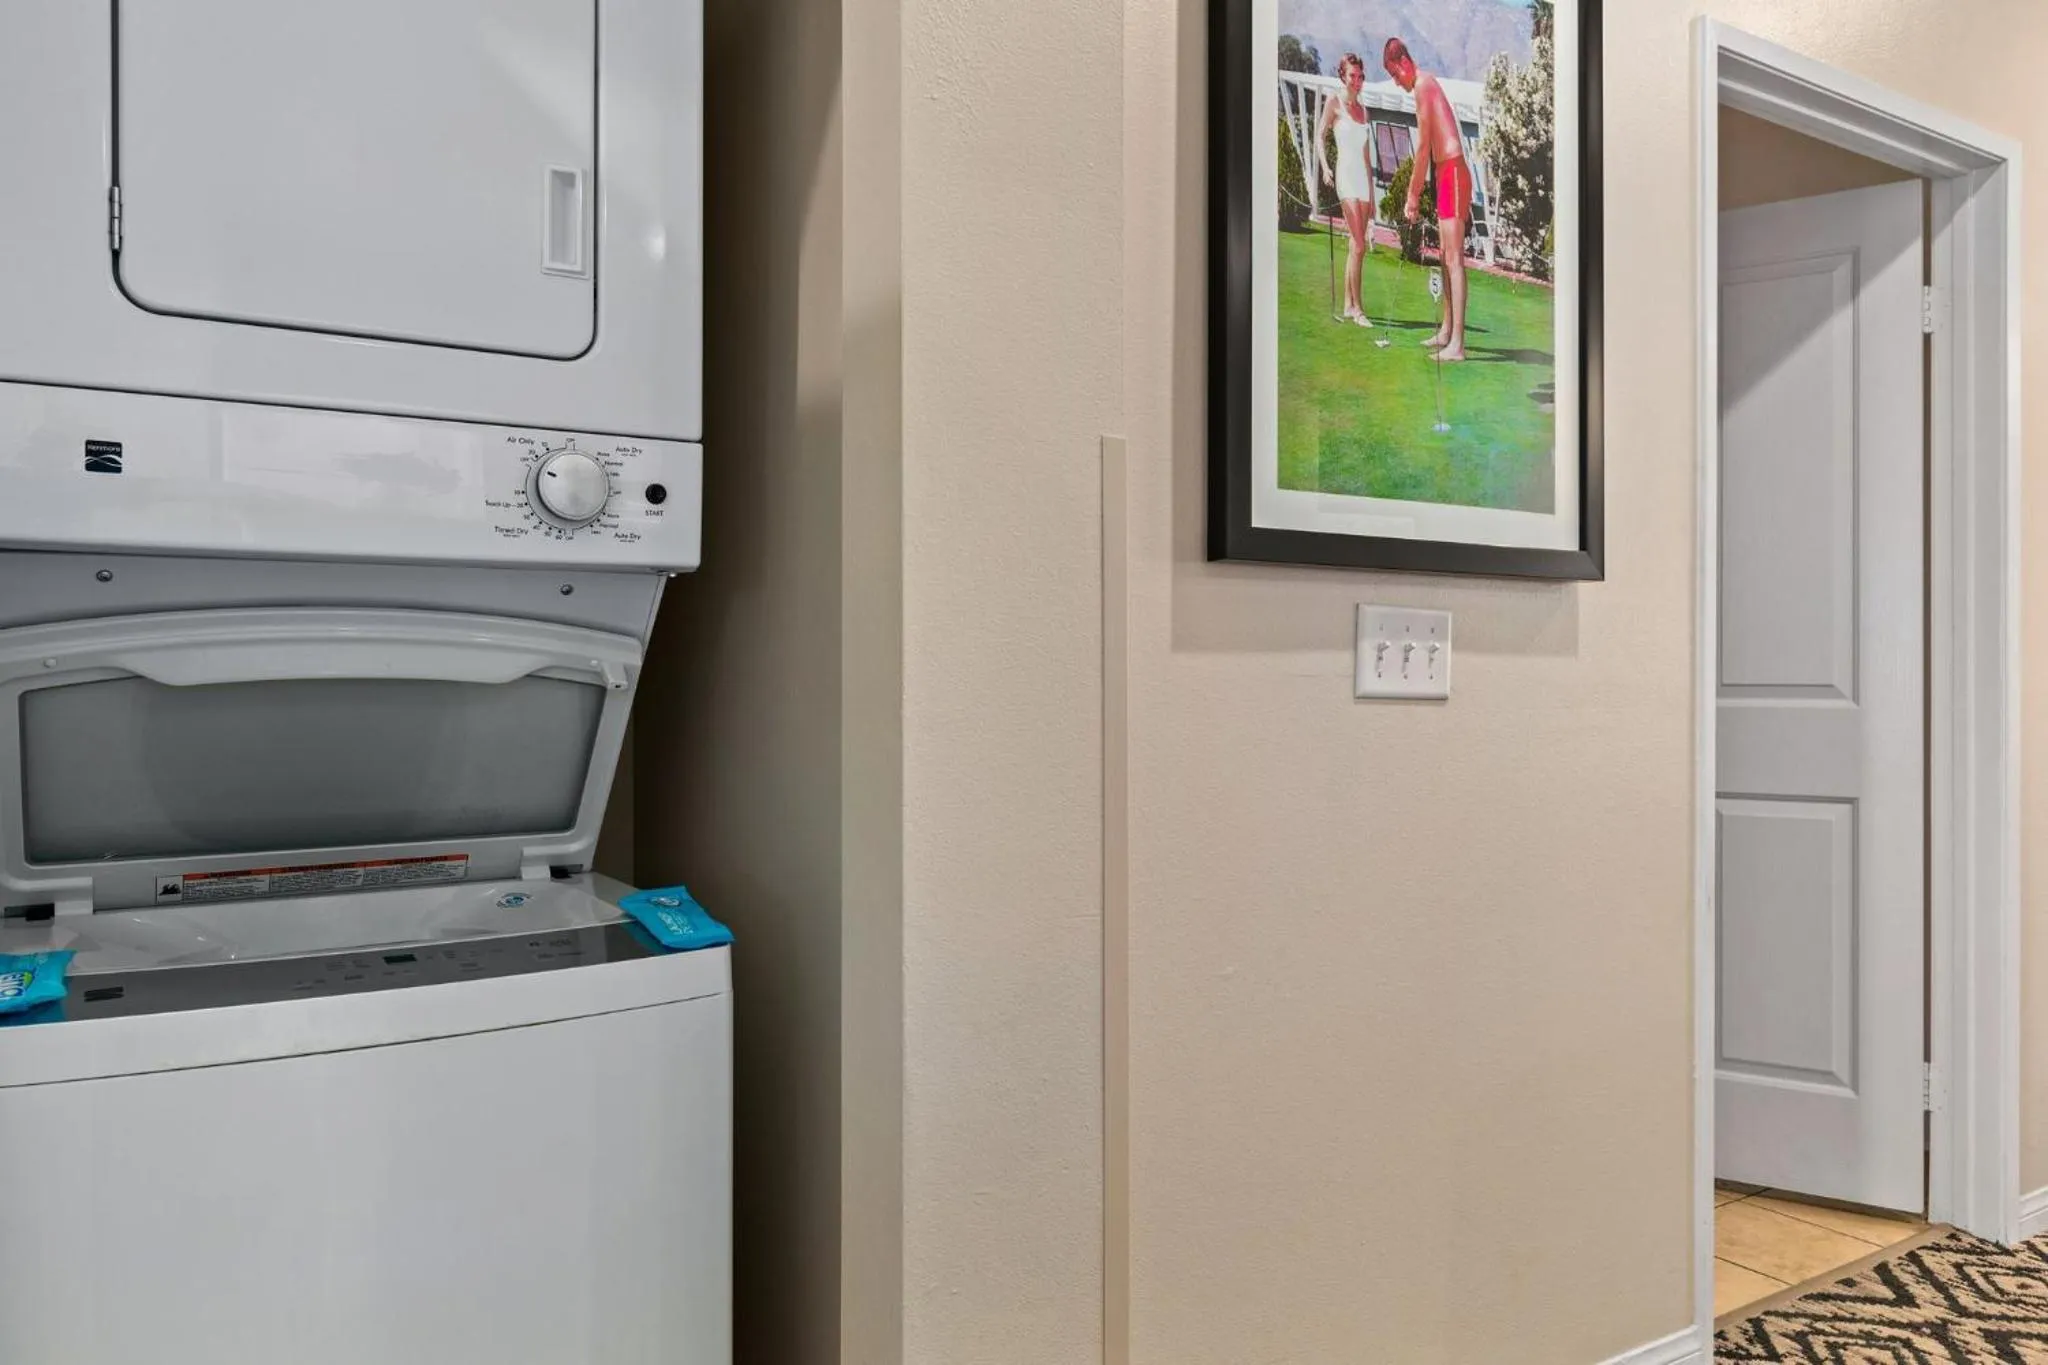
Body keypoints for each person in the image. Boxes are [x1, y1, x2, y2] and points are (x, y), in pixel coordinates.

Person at [1383, 37, 1471, 360]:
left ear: (1404, 63)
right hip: (1443, 173)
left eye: (1395, 74)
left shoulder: (1423, 85)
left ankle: (1458, 345)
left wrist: (1412, 195)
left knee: (1454, 259)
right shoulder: (1424, 85)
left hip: (1452, 172)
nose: (1396, 82)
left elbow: (1422, 147)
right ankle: (1447, 331)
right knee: (1447, 255)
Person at [1315, 53, 1376, 328]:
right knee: (1360, 243)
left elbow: (1367, 159)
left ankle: (1347, 305)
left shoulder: (1364, 112)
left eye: (1361, 76)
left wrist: (1373, 197)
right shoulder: (1334, 102)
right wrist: (1325, 167)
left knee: (1356, 245)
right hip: (1344, 178)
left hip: (1362, 180)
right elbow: (1320, 135)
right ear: (1343, 76)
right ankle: (1359, 310)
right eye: (1353, 75)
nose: (1357, 80)